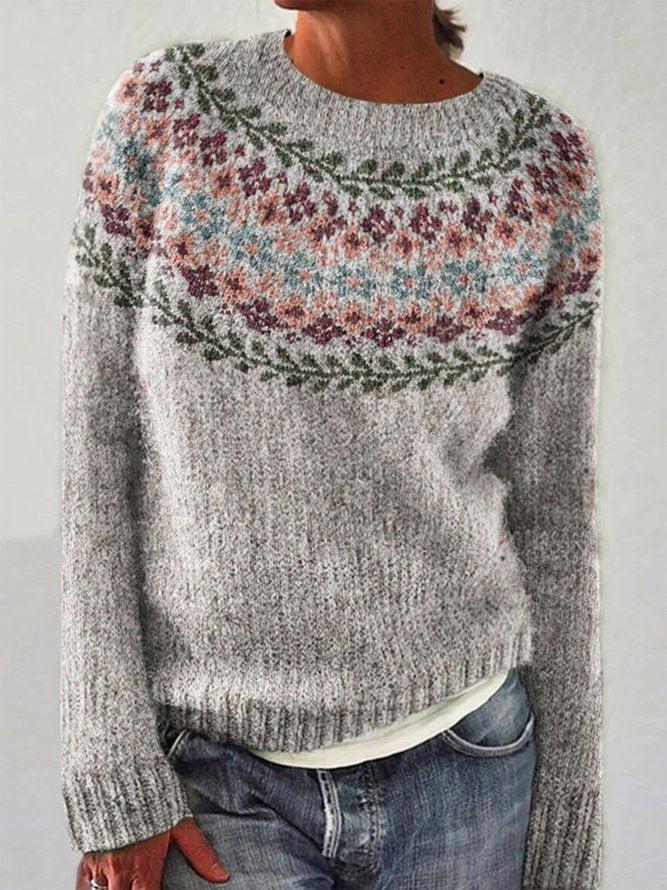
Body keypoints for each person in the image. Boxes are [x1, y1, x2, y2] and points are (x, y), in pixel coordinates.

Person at [60, 2, 605, 888]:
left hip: (469, 771)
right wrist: (110, 770)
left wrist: (566, 818)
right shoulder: (168, 113)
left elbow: (555, 512)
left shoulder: (538, 164)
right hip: (213, 782)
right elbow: (95, 458)